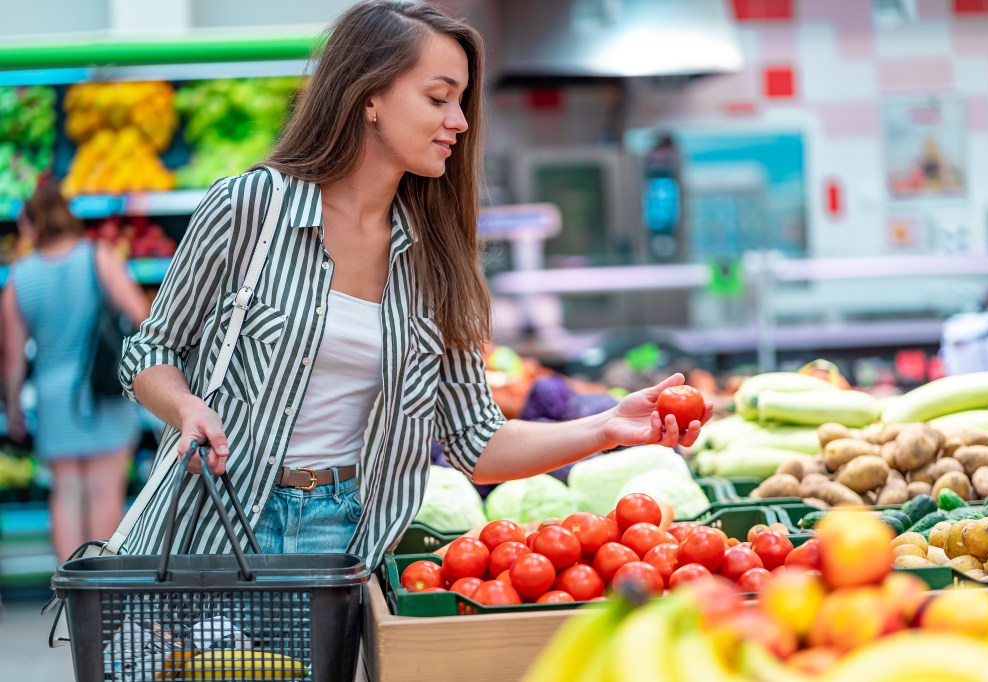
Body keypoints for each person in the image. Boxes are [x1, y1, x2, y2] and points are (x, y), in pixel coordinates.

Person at [118, 0, 712, 569]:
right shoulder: (251, 208)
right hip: (216, 523)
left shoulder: (434, 259)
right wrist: (186, 405)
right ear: (370, 96)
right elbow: (151, 348)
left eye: (461, 103)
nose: (458, 122)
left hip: (346, 538)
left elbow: (476, 443)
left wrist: (606, 425)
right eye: (438, 98)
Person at [1, 179, 150, 561]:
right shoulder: (97, 256)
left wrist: (15, 410)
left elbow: (12, 357)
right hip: (104, 393)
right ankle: (101, 593)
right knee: (105, 492)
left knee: (65, 493)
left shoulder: (20, 278)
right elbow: (141, 315)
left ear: (33, 226)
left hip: (54, 400)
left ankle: (70, 591)